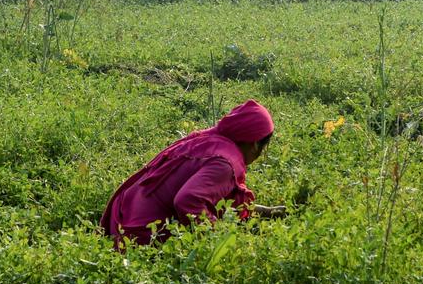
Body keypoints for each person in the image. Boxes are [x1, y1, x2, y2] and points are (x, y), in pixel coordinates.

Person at [100, 100, 285, 247]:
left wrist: (262, 211)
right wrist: (218, 242)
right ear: (255, 144)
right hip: (138, 237)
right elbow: (188, 201)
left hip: (122, 216)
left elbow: (213, 199)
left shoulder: (210, 140)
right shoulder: (227, 163)